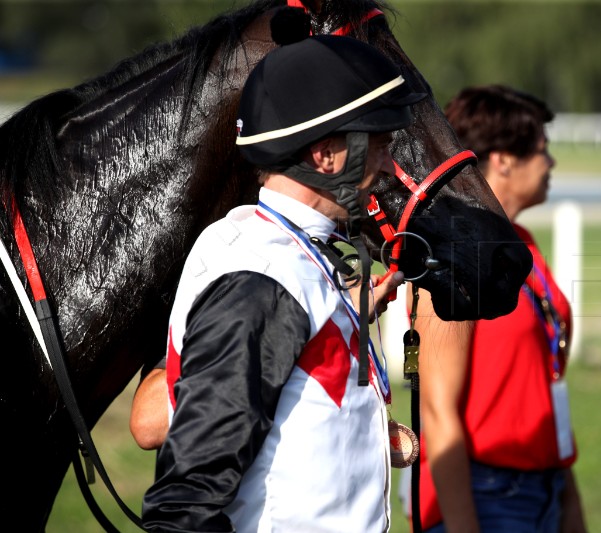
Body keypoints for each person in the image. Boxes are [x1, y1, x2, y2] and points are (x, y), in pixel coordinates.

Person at [140, 27, 424, 532]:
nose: (388, 166)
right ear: (325, 155)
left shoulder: (296, 253)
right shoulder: (263, 277)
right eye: (379, 146)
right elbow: (186, 501)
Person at [414, 85, 587, 533]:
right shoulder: (457, 258)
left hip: (544, 490)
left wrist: (567, 497)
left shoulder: (521, 246)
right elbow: (437, 411)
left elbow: (545, 387)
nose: (551, 164)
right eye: (543, 151)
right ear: (505, 159)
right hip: (485, 496)